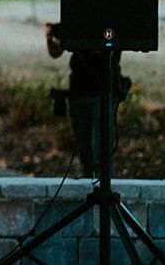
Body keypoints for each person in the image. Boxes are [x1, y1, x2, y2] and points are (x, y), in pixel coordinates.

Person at [45, 22, 130, 176]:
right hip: (79, 90)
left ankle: (103, 188)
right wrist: (53, 39)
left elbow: (103, 52)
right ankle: (90, 185)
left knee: (102, 151)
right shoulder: (75, 21)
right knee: (84, 151)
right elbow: (55, 52)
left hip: (103, 90)